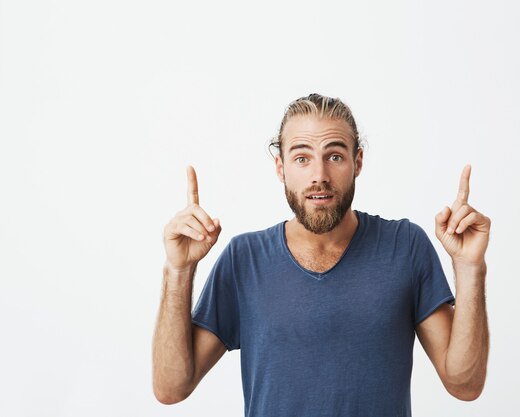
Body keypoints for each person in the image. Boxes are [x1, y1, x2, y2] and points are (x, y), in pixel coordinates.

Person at [152, 93, 491, 416]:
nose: (319, 176)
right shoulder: (245, 258)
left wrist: (469, 267)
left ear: (357, 162)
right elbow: (171, 388)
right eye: (302, 157)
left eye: (334, 156)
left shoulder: (404, 247)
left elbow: (465, 384)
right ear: (281, 167)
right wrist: (178, 270)